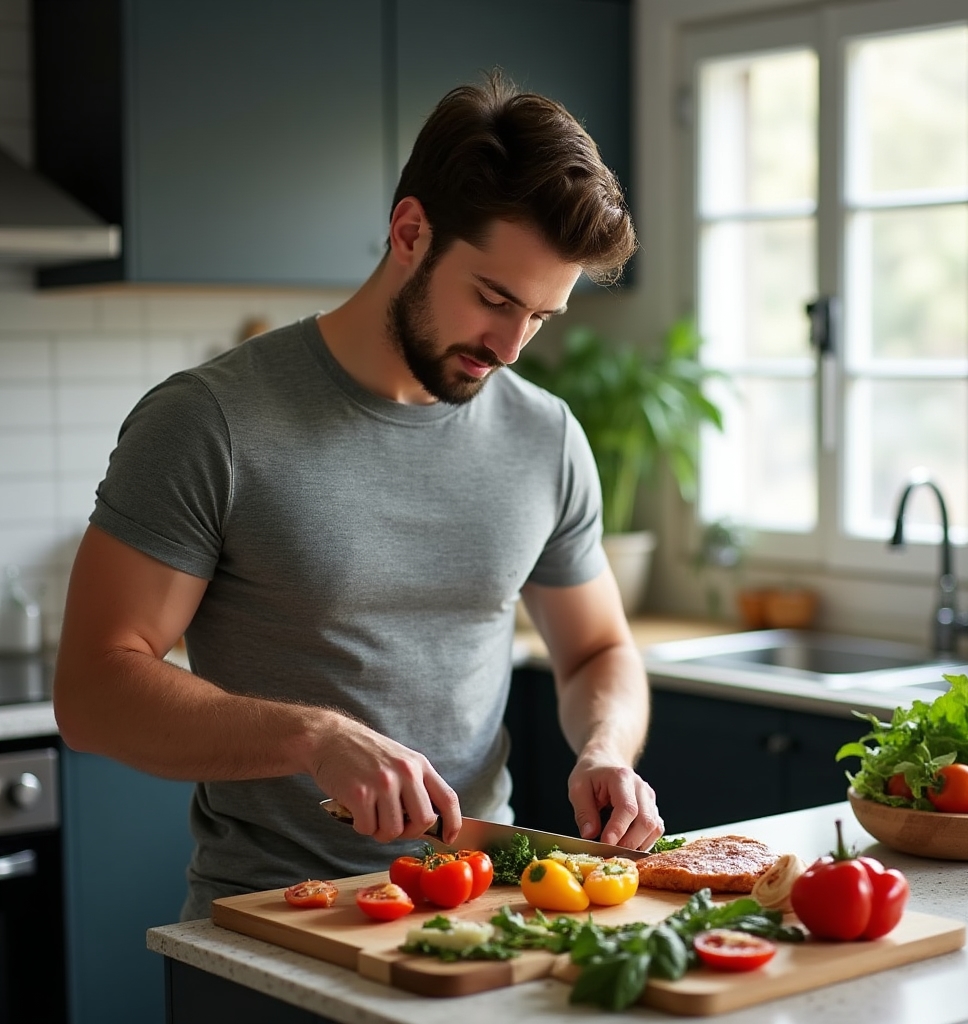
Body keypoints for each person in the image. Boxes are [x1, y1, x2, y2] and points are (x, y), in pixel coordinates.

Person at [53, 72, 664, 921]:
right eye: (492, 298)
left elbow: (599, 652)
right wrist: (315, 737)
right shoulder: (210, 422)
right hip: (278, 924)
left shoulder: (545, 436)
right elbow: (91, 692)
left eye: (541, 317)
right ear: (410, 231)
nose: (510, 347)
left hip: (489, 912)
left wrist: (604, 748)